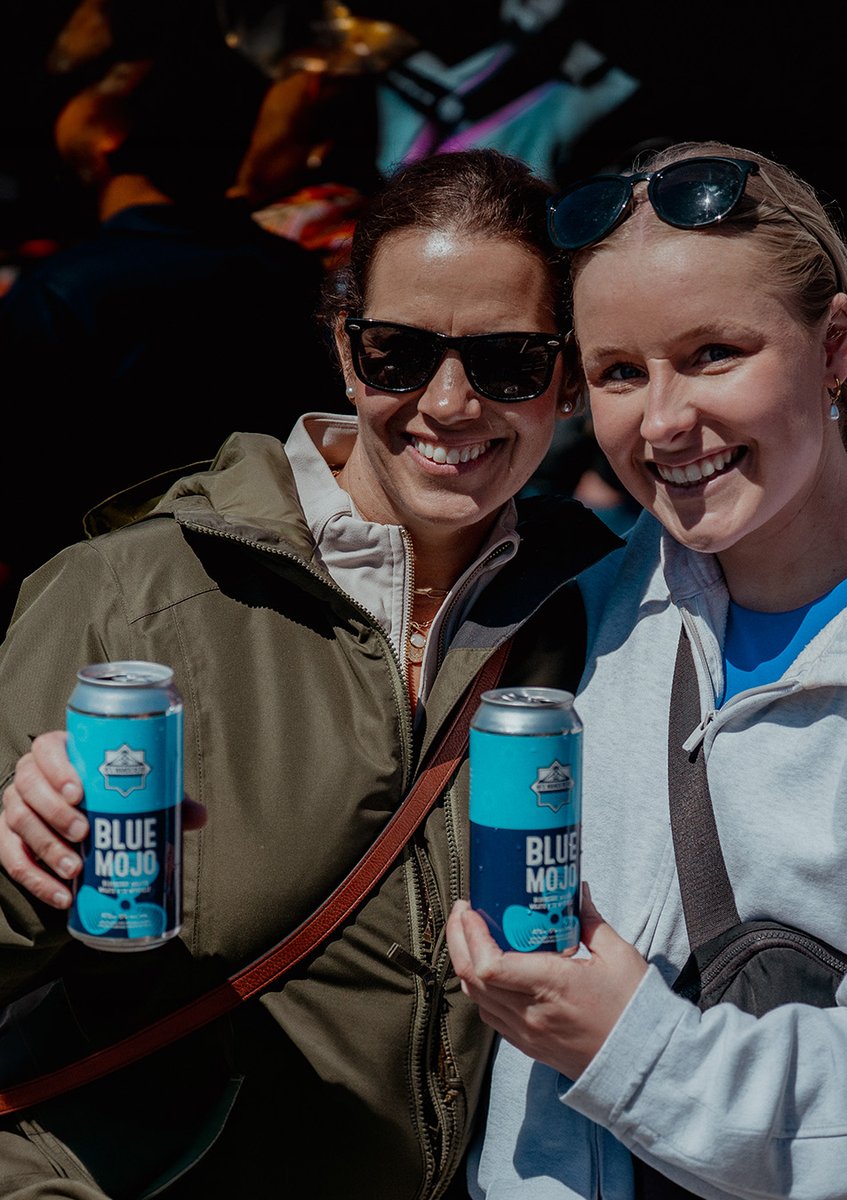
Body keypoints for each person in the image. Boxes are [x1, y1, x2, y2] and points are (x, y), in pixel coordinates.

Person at [0, 146, 621, 1199]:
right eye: (400, 353)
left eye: (509, 362)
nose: (451, 403)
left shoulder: (602, 594)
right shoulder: (127, 595)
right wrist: (18, 866)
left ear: (564, 378)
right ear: (345, 350)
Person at [447, 140, 847, 1197]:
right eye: (620, 374)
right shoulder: (583, 606)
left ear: (831, 349)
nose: (667, 421)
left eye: (716, 353)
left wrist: (639, 1055)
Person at [0, 40, 340, 630]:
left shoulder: (61, 290)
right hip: (270, 598)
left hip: (91, 606)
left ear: (110, 143)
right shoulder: (292, 273)